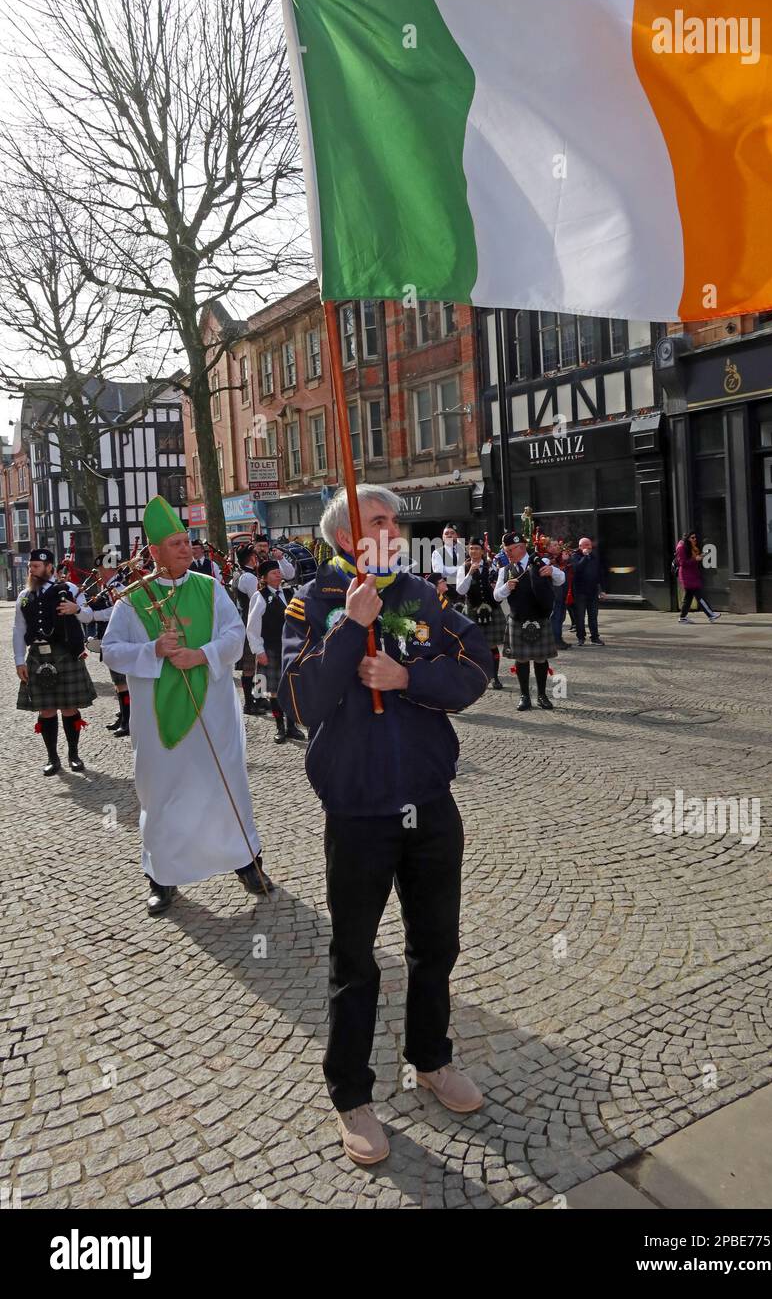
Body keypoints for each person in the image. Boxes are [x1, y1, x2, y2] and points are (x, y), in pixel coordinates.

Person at [279, 485, 493, 1167]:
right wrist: (349, 628)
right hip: (359, 811)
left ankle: (431, 1058)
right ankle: (351, 1093)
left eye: (395, 520)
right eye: (379, 520)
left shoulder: (423, 597)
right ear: (346, 537)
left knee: (437, 944)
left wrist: (407, 677)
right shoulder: (310, 601)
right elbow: (298, 698)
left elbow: (476, 669)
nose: (394, 529)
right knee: (354, 959)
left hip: (429, 802)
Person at [102, 496, 274, 916]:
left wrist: (202, 655)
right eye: (176, 543)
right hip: (157, 718)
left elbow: (235, 636)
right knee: (162, 794)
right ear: (155, 552)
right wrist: (152, 650)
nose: (186, 549)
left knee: (225, 785)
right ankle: (161, 876)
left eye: (186, 541)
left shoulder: (209, 587)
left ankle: (248, 864)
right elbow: (110, 651)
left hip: (212, 712)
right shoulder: (131, 600)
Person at [13, 547, 97, 774]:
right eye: (30, 566)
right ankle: (52, 758)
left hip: (65, 654)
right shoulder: (24, 596)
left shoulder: (69, 589)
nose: (32, 570)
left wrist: (75, 608)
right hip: (37, 655)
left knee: (69, 707)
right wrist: (19, 660)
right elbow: (19, 629)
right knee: (46, 709)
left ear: (49, 567)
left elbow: (89, 616)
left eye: (36, 566)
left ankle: (74, 755)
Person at [493, 530, 564, 711]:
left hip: (540, 619)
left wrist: (552, 571)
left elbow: (561, 579)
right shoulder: (505, 570)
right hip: (518, 620)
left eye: (510, 550)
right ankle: (524, 695)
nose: (506, 554)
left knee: (541, 660)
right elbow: (496, 596)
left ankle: (542, 695)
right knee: (522, 660)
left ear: (521, 547)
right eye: (505, 550)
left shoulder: (542, 562)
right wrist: (506, 588)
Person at [246, 558, 304, 744]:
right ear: (264, 578)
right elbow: (252, 626)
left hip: (291, 648)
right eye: (273, 573)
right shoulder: (259, 596)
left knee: (292, 687)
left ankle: (292, 726)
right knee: (274, 691)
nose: (278, 574)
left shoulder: (290, 592)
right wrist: (258, 650)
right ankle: (280, 726)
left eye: (278, 571)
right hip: (270, 648)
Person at [79, 554, 132, 736]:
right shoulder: (107, 587)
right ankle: (123, 716)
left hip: (120, 638)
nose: (100, 575)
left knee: (122, 682)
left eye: (102, 571)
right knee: (117, 682)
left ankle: (128, 721)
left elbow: (119, 610)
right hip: (108, 638)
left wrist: (95, 615)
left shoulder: (120, 588)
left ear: (110, 569)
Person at [455, 537, 505, 688]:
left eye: (477, 548)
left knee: (492, 646)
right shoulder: (463, 568)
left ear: (482, 551)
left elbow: (499, 589)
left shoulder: (492, 566)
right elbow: (460, 590)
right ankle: (479, 676)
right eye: (471, 548)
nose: (473, 551)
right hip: (473, 610)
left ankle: (495, 677)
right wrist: (470, 573)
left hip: (492, 610)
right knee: (474, 647)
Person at [232, 545, 267, 715]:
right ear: (252, 558)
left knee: (257, 664)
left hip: (246, 621)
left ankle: (259, 698)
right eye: (255, 556)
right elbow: (259, 599)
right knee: (251, 666)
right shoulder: (248, 577)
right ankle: (250, 702)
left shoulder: (239, 574)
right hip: (252, 623)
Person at [676, 531, 722, 623]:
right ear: (687, 539)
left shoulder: (690, 547)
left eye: (695, 537)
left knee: (688, 598)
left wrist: (699, 557)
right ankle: (710, 615)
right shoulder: (681, 548)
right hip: (687, 576)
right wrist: (695, 559)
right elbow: (682, 563)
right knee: (699, 596)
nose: (694, 539)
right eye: (692, 538)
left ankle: (682, 618)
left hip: (691, 575)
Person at [572, 537, 607, 646]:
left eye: (590, 544)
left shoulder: (595, 556)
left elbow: (600, 574)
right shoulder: (575, 556)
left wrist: (602, 590)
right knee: (580, 616)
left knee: (593, 616)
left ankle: (595, 637)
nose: (589, 547)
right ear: (580, 547)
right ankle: (581, 638)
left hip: (592, 591)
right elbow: (577, 569)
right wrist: (585, 556)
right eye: (586, 545)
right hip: (580, 592)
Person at [430, 524, 464, 608]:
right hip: (448, 594)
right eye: (446, 533)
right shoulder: (437, 553)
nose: (449, 535)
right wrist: (462, 568)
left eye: (452, 533)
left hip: (466, 593)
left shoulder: (465, 551)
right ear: (443, 537)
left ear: (457, 536)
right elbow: (440, 573)